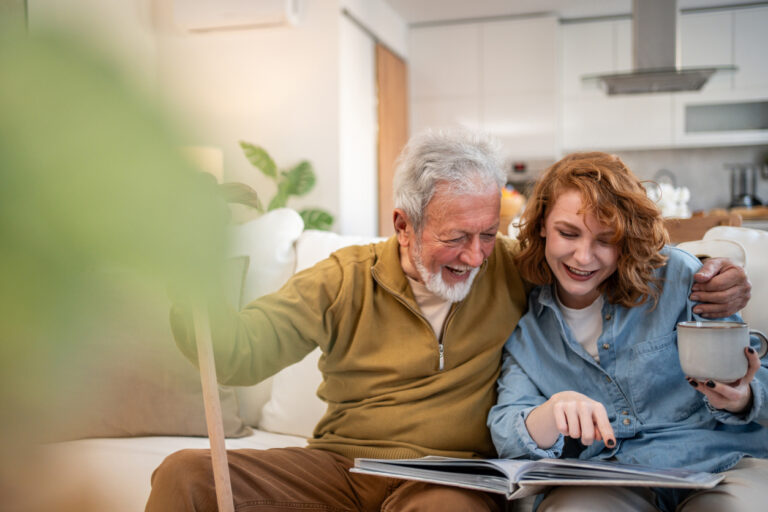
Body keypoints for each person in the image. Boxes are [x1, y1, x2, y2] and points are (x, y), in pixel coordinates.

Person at [147, 133, 750, 512]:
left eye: (488, 233)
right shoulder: (342, 279)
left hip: (448, 479)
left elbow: (608, 256)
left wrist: (716, 275)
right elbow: (241, 352)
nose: (475, 254)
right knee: (185, 475)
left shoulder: (518, 268)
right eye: (455, 236)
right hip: (343, 465)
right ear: (403, 224)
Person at [487, 152, 768, 512]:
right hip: (610, 475)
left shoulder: (682, 278)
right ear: (542, 224)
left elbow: (755, 382)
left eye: (606, 240)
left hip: (716, 463)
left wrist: (741, 397)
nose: (583, 257)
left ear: (627, 236)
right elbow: (507, 429)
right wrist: (551, 413)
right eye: (568, 233)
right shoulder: (530, 332)